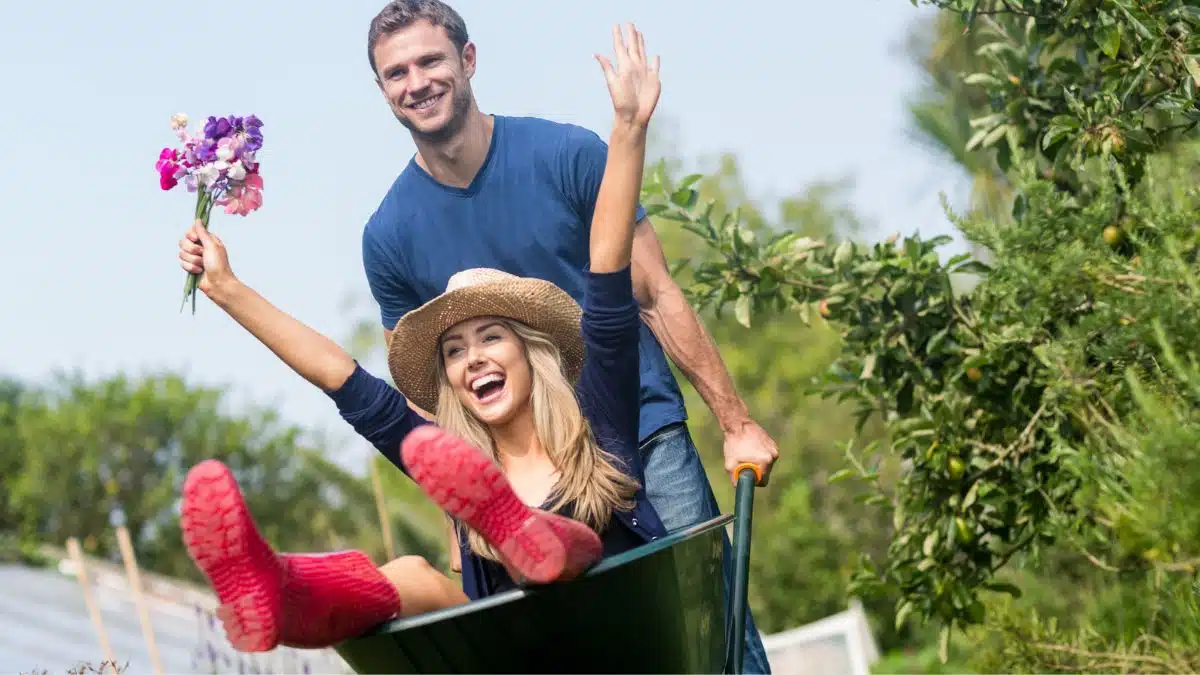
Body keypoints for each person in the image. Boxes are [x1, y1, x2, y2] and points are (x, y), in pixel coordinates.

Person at [176, 24, 673, 653]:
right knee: (411, 576)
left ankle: (533, 541)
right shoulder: (454, 457)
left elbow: (606, 273)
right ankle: (279, 590)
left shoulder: (598, 421)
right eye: (455, 351)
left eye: (490, 337)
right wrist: (227, 289)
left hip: (626, 634)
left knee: (553, 552)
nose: (473, 360)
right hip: (529, 659)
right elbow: (343, 378)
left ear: (529, 348)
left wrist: (629, 127)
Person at [361, 2, 775, 669]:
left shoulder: (566, 155)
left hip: (638, 437)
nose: (417, 82)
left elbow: (654, 291)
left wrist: (735, 422)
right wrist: (460, 517)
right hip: (520, 481)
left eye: (430, 60)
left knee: (713, 630)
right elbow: (429, 399)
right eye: (396, 72)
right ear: (383, 91)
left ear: (467, 61)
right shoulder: (388, 236)